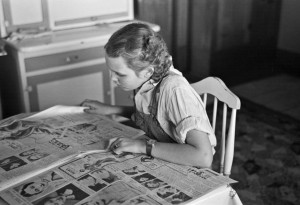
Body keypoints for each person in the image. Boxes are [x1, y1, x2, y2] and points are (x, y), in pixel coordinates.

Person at [81, 22, 216, 168]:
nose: (112, 79)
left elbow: (203, 157)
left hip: (189, 164)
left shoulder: (174, 90)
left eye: (119, 74)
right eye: (111, 71)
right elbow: (155, 116)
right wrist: (111, 109)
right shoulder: (145, 82)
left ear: (148, 71)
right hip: (162, 156)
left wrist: (142, 146)